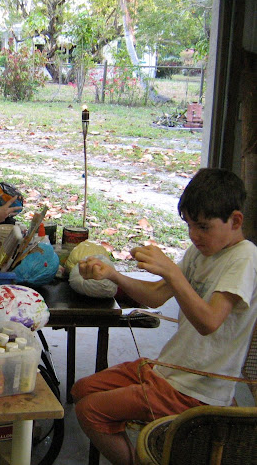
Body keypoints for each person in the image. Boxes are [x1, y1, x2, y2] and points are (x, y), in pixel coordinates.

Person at [71, 168, 257, 465]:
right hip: (169, 369)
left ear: (235, 221)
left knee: (88, 410)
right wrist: (114, 275)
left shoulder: (245, 258)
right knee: (82, 390)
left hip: (195, 391)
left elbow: (209, 322)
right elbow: (157, 295)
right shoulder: (203, 251)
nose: (194, 236)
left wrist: (171, 270)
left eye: (203, 227)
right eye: (189, 226)